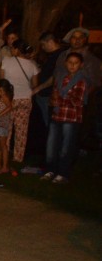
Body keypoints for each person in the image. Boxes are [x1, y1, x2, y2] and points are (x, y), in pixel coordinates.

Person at [41, 53, 88, 184]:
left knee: (66, 147)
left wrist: (60, 98)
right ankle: (50, 170)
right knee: (51, 145)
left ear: (81, 65)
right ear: (65, 63)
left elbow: (77, 101)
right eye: (70, 62)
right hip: (57, 115)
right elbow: (54, 97)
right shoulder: (61, 79)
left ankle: (63, 173)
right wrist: (54, 99)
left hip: (71, 118)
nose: (72, 65)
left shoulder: (81, 81)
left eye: (76, 63)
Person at [0, 39, 39, 165]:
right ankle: (18, 157)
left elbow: (2, 81)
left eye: (12, 48)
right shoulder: (32, 65)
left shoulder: (6, 61)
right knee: (21, 130)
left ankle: (4, 153)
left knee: (7, 128)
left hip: (10, 99)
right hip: (25, 99)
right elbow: (35, 84)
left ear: (16, 49)